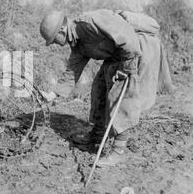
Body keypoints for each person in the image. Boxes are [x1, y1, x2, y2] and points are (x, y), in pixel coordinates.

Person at [39, 9, 174, 166]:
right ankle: (97, 135)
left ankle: (118, 150)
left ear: (61, 30)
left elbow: (126, 34)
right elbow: (72, 71)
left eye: (54, 39)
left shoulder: (89, 23)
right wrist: (53, 94)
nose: (55, 43)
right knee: (99, 87)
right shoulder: (78, 43)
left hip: (135, 49)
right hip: (117, 56)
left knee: (122, 96)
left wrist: (128, 67)